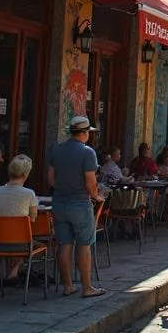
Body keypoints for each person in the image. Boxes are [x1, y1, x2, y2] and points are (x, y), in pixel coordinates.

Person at [48, 116, 105, 297]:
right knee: (83, 245)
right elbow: (90, 181)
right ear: (85, 133)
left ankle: (68, 285)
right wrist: (96, 196)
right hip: (80, 202)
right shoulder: (87, 152)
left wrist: (62, 189)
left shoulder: (56, 149)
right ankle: (87, 287)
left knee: (64, 244)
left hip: (59, 202)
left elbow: (50, 178)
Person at [0, 154, 39, 284]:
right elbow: (32, 219)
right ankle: (13, 272)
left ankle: (9, 273)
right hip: (21, 243)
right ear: (25, 174)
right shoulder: (29, 194)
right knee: (27, 236)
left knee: (16, 235)